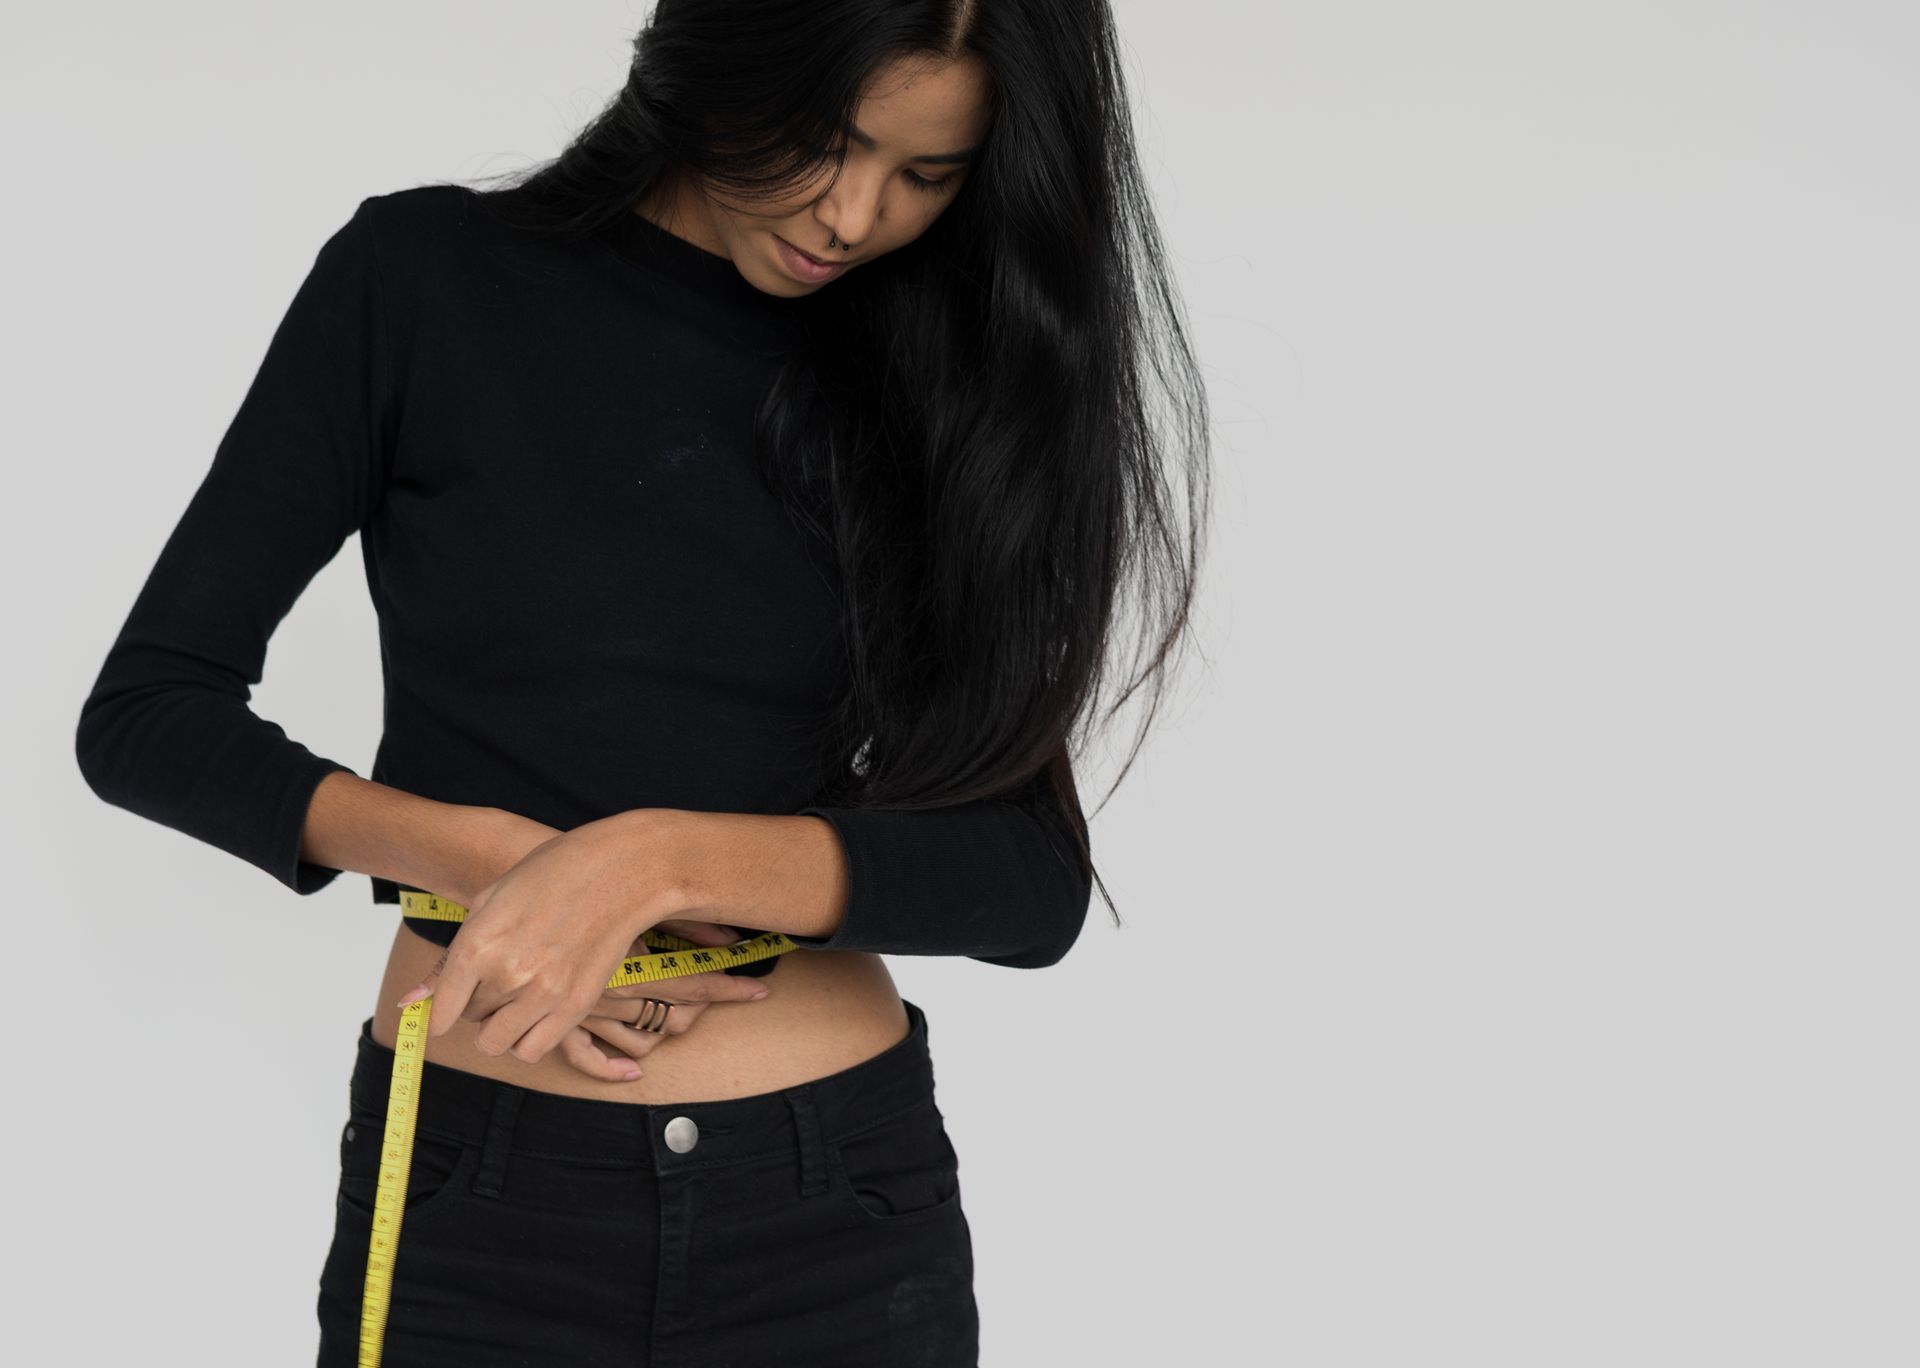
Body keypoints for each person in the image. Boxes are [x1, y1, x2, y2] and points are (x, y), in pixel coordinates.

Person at [75, 1, 1210, 1363]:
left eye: (927, 175)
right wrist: (493, 864)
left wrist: (659, 868)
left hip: (830, 1211)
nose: (853, 217)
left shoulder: (953, 374)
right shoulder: (422, 280)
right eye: (826, 141)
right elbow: (148, 715)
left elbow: (1027, 884)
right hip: (480, 1204)